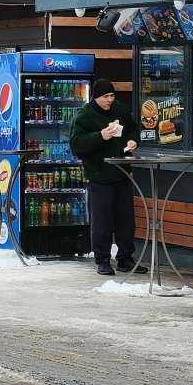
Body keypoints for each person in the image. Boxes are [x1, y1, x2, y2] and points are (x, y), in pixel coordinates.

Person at [69, 78, 139, 277]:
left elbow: (133, 128)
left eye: (112, 95)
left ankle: (126, 258)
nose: (110, 100)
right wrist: (101, 136)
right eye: (106, 96)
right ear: (96, 97)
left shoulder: (120, 110)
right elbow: (76, 144)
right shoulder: (85, 116)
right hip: (99, 174)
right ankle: (103, 260)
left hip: (123, 171)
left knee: (126, 220)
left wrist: (134, 140)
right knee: (102, 221)